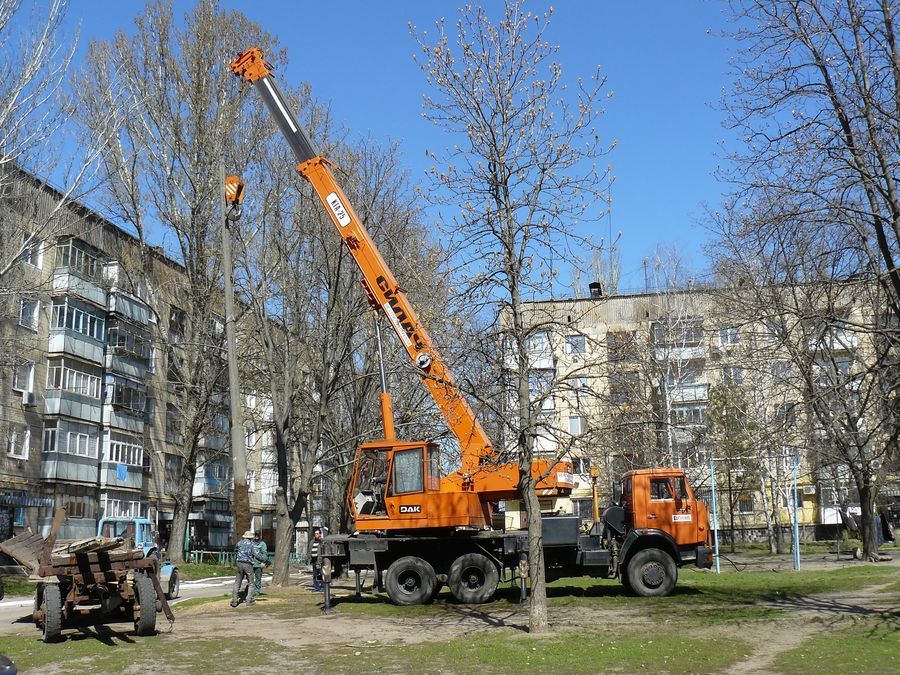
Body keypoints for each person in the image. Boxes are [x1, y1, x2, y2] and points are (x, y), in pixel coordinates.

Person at [231, 530, 267, 607]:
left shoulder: (239, 543)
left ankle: (234, 600)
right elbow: (256, 555)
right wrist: (264, 560)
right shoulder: (252, 545)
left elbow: (235, 551)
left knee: (237, 582)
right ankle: (249, 600)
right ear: (250, 538)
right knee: (251, 583)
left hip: (239, 563)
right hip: (248, 564)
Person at [252, 532, 268, 596]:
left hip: (258, 564)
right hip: (251, 563)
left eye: (257, 535)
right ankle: (251, 591)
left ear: (259, 536)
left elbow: (264, 553)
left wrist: (263, 561)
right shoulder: (251, 543)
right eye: (255, 535)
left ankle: (257, 591)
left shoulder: (262, 544)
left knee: (258, 578)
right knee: (250, 579)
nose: (256, 537)